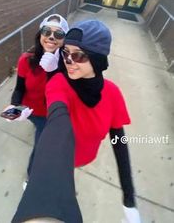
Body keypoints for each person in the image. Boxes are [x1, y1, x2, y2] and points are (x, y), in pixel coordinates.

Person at [12, 20, 141, 223]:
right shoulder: (59, 83)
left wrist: (129, 199)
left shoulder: (113, 93)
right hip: (57, 158)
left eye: (78, 55)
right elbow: (56, 123)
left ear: (97, 59)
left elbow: (119, 142)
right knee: (40, 143)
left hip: (83, 157)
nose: (68, 61)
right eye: (65, 53)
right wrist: (40, 203)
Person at [3, 14, 69, 187]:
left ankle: (31, 178)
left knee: (41, 147)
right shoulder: (26, 59)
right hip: (29, 111)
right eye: (47, 31)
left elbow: (65, 93)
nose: (52, 37)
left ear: (64, 40)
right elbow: (19, 87)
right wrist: (14, 105)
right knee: (37, 128)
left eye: (59, 34)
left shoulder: (68, 64)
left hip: (49, 116)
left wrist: (54, 70)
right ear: (40, 35)